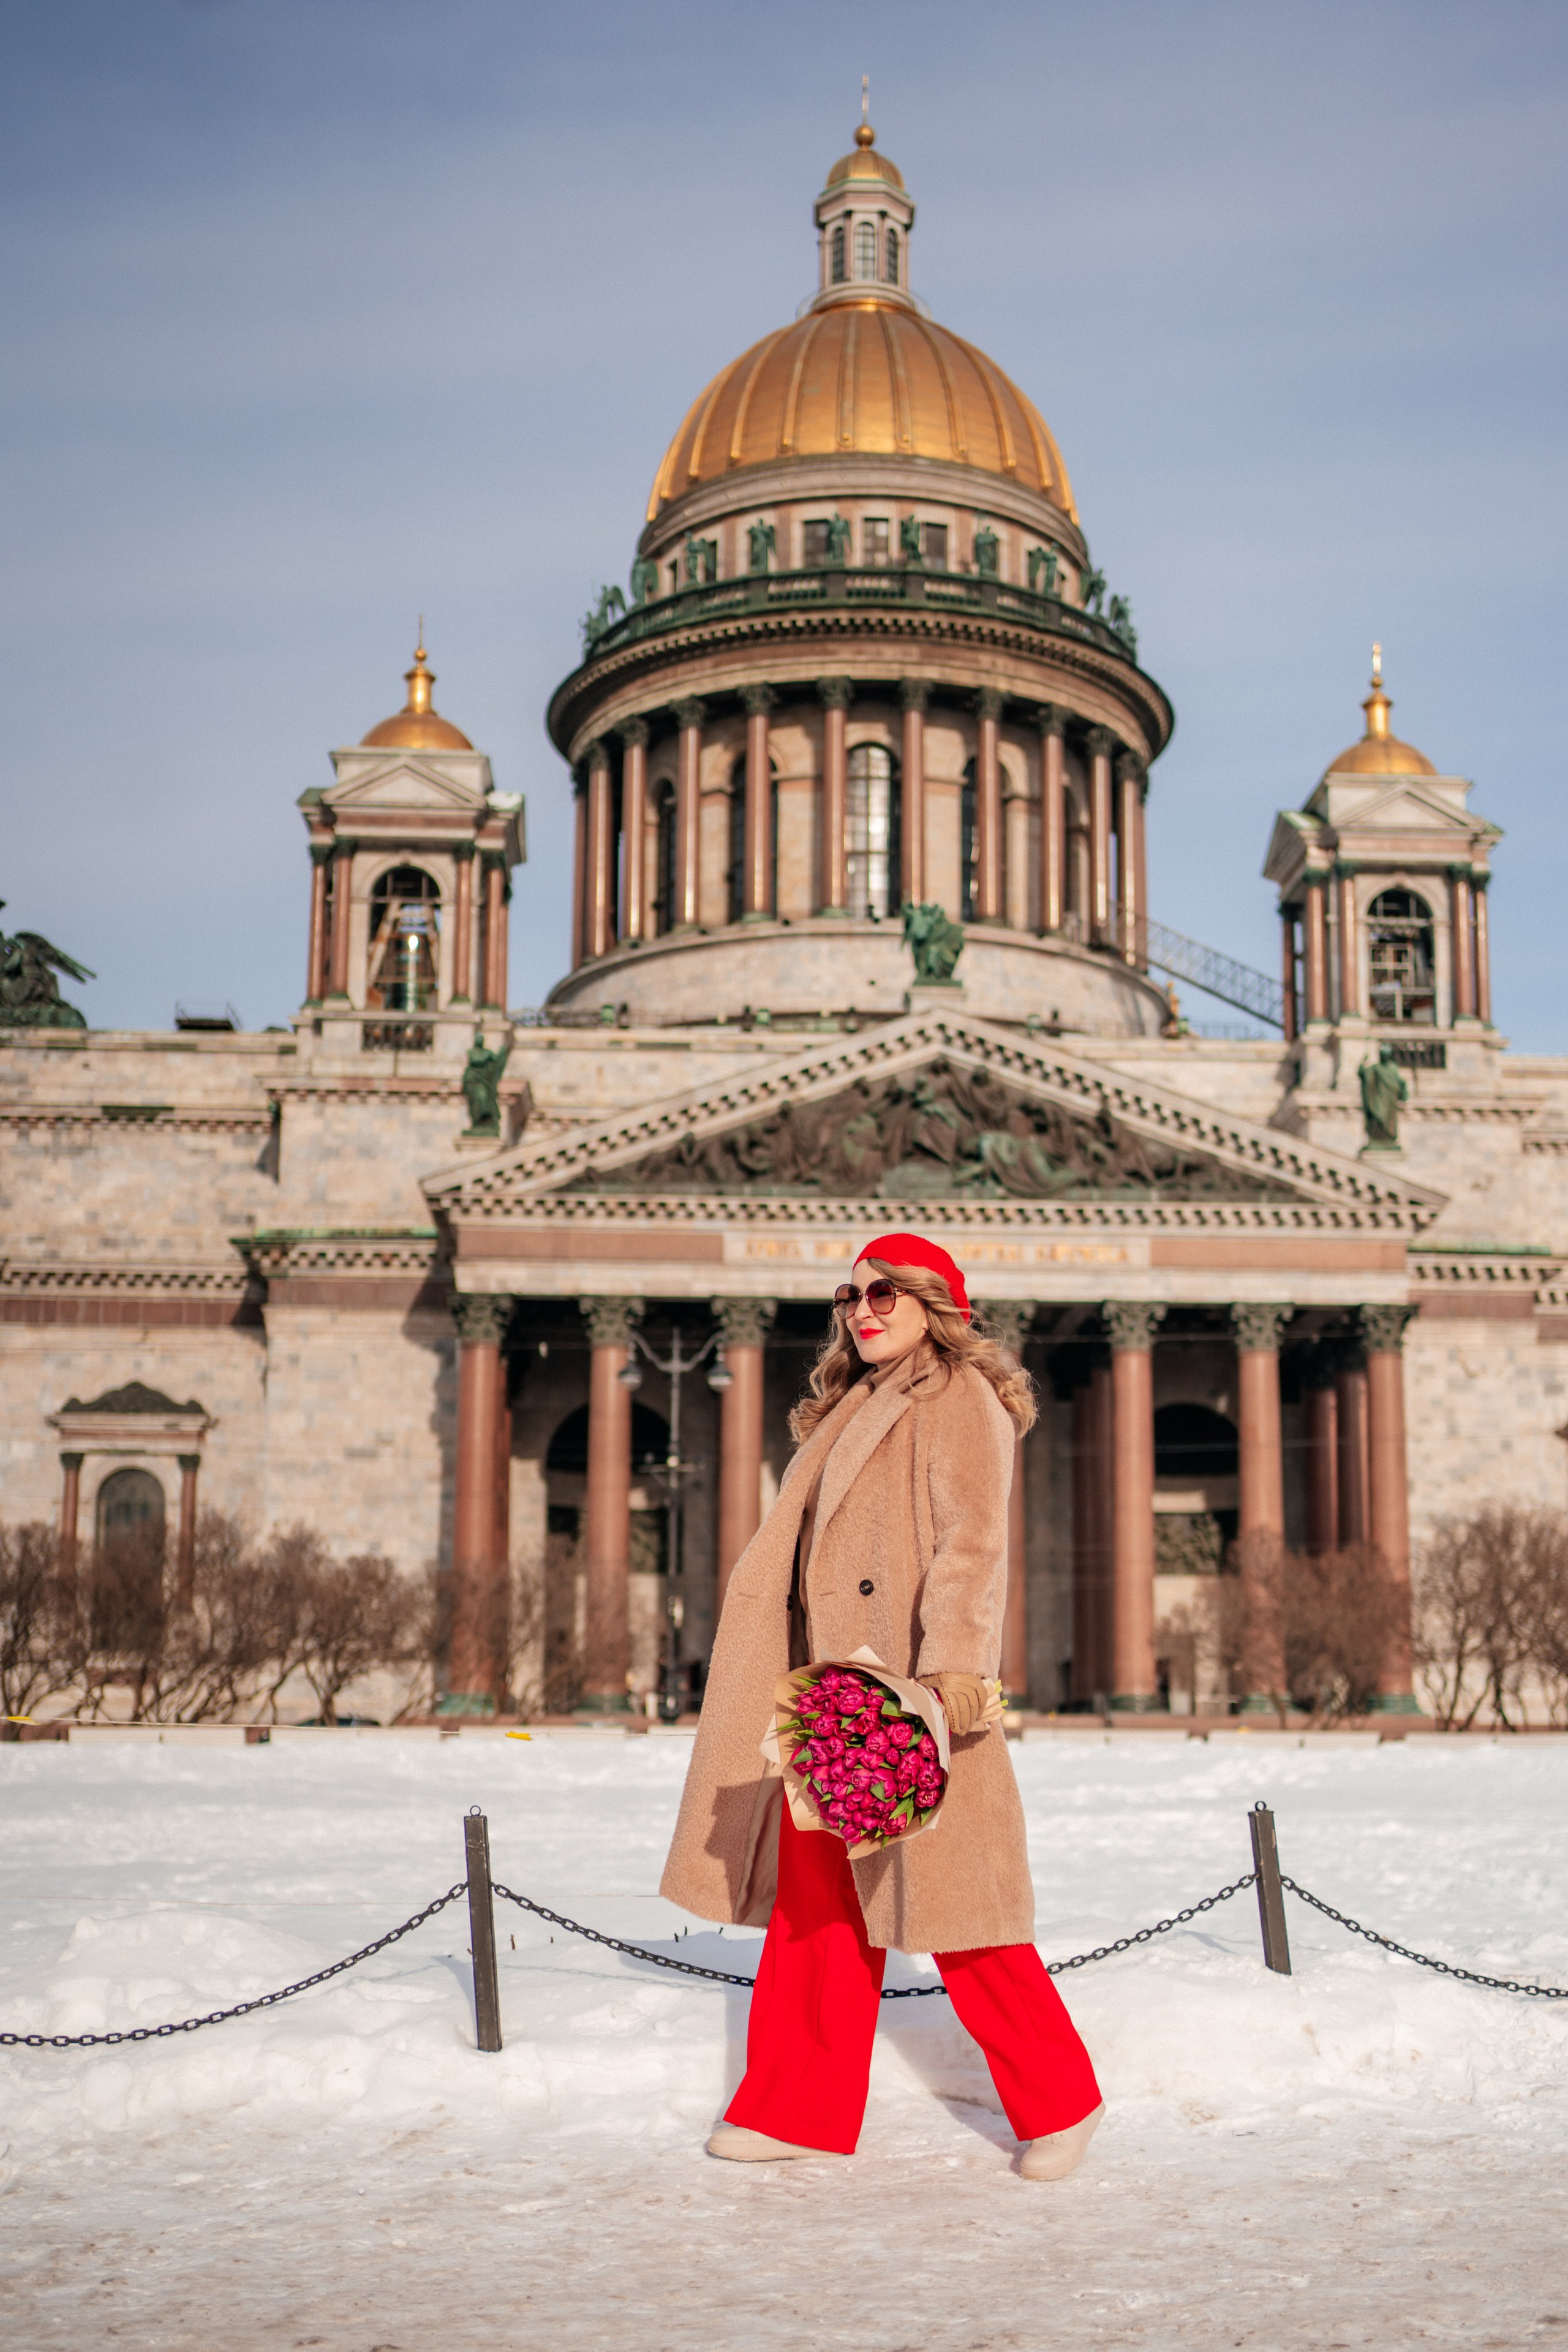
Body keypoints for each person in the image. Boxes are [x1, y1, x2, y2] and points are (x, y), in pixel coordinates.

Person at [661, 1232, 1104, 2180]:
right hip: (837, 1699)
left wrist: (948, 1679)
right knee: (818, 1915)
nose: (863, 1310)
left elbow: (971, 1549)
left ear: (938, 1305)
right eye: (850, 1294)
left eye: (886, 1294)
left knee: (959, 1915)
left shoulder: (960, 1398)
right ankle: (793, 2107)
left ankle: (1062, 2102)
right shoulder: (852, 1403)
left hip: (911, 1699)